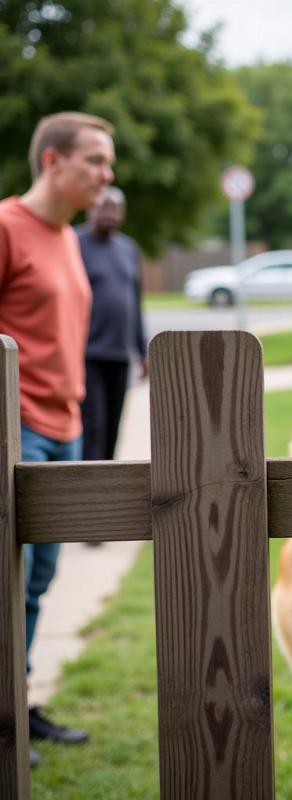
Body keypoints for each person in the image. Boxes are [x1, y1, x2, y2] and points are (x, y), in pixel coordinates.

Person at [0, 111, 115, 765]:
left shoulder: (69, 238)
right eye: (96, 161)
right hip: (13, 425)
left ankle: (21, 701)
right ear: (52, 161)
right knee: (6, 580)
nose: (107, 175)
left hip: (64, 426)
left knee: (39, 576)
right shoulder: (7, 227)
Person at [78, 186, 147, 535]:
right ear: (91, 209)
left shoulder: (128, 249)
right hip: (87, 356)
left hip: (120, 357)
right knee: (94, 432)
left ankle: (105, 509)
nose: (110, 213)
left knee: (113, 433)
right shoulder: (75, 244)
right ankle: (90, 518)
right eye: (104, 206)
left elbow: (136, 304)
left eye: (116, 207)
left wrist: (143, 350)